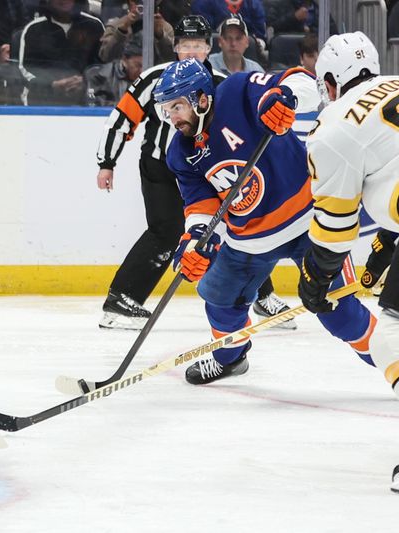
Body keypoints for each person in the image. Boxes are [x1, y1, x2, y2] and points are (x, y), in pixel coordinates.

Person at [152, 57, 377, 385]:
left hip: (310, 221)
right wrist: (195, 239)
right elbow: (199, 204)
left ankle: (393, 361)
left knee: (338, 312)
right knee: (218, 296)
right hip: (249, 240)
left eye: (177, 107)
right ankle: (231, 359)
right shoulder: (180, 152)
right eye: (166, 110)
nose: (172, 118)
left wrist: (285, 95)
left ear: (201, 99)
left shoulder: (237, 91)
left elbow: (305, 82)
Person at [94, 15, 291, 330]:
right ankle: (122, 300)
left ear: (208, 47)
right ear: (174, 47)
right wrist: (107, 161)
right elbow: (122, 119)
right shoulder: (154, 77)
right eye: (185, 45)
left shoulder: (223, 82)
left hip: (209, 168)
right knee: (166, 232)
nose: (191, 52)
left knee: (237, 225)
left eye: (197, 46)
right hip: (161, 168)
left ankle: (262, 297)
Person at [298, 31, 399, 493]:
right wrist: (384, 248)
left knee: (392, 341)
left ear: (331, 82)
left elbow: (335, 225)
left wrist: (315, 277)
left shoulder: (334, 125)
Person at [18, 0, 105, 106]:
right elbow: (24, 70)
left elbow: (104, 66)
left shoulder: (94, 25)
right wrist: (51, 85)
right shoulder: (33, 29)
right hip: (42, 103)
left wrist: (87, 81)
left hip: (86, 102)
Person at [98, 0, 175, 65]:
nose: (143, 10)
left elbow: (170, 60)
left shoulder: (164, 27)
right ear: (130, 3)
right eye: (140, 6)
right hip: (121, 76)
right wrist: (123, 29)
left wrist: (159, 35)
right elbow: (105, 57)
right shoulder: (116, 25)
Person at [85, 34, 143, 106]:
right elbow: (93, 104)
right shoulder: (99, 76)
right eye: (138, 65)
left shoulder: (147, 77)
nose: (141, 71)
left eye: (144, 66)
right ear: (124, 59)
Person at [191, 0, 267, 41]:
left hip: (247, 51)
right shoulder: (203, 3)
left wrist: (258, 42)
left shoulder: (254, 4)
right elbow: (202, 33)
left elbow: (259, 34)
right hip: (213, 50)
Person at [265, 0, 337, 36]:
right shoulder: (279, 5)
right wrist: (294, 18)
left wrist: (310, 31)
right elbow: (271, 29)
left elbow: (333, 34)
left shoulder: (320, 10)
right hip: (288, 53)